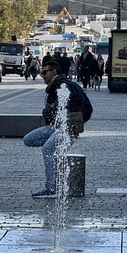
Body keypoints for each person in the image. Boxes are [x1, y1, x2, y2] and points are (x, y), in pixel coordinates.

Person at [24, 62, 83, 198]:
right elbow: (49, 112)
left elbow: (75, 108)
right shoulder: (52, 87)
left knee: (47, 149)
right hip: (55, 127)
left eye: (44, 72)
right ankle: (56, 151)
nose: (42, 75)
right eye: (41, 72)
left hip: (68, 128)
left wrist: (75, 123)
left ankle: (52, 188)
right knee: (28, 139)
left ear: (54, 72)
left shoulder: (63, 86)